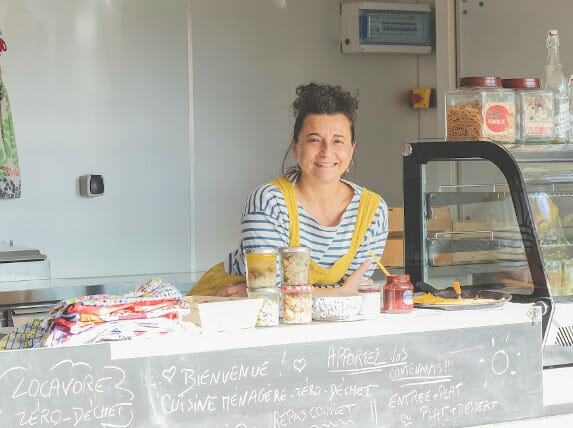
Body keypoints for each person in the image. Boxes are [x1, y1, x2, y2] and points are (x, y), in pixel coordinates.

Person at [188, 82, 388, 297]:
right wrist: (340, 292)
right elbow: (265, 292)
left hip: (311, 320)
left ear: (352, 148)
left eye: (338, 141)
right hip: (224, 310)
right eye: (314, 140)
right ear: (295, 146)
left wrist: (276, 291)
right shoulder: (269, 201)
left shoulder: (373, 211)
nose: (326, 151)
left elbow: (354, 287)